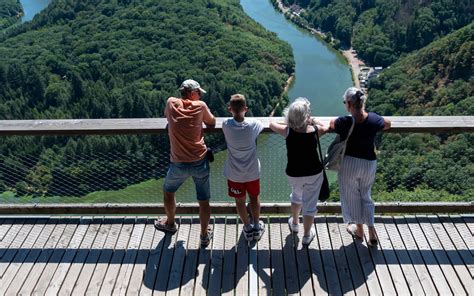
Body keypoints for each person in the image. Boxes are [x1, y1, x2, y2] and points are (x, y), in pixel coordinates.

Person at [155, 79, 216, 247]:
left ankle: (170, 223)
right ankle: (204, 235)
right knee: (203, 201)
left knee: (168, 192)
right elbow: (212, 122)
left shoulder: (170, 103)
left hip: (178, 163)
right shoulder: (201, 106)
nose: (200, 96)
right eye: (198, 93)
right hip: (200, 161)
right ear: (191, 93)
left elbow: (167, 116)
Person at [329, 87, 391, 246]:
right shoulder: (373, 119)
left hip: (349, 164)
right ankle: (371, 231)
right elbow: (388, 124)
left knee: (352, 197)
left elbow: (331, 124)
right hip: (369, 163)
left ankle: (359, 230)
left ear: (349, 103)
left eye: (345, 102)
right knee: (366, 196)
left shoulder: (345, 122)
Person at [270, 97, 327, 245]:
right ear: (306, 116)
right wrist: (312, 120)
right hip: (314, 173)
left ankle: (295, 223)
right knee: (310, 204)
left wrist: (290, 122)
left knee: (296, 195)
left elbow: (271, 124)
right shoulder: (314, 131)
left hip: (294, 173)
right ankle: (307, 236)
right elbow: (325, 126)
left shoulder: (288, 131)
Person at [222, 94, 265, 242]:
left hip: (234, 174)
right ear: (246, 109)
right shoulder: (253, 125)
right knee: (254, 198)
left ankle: (247, 227)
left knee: (240, 201)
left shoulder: (226, 125)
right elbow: (260, 125)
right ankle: (256, 226)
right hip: (252, 172)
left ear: (230, 109)